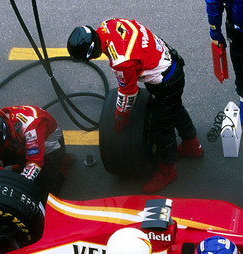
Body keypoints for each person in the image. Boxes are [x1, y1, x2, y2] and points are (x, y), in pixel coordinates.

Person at [67, 21, 203, 193]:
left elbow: (128, 92)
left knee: (162, 128)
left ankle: (168, 171)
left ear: (92, 51)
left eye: (90, 57)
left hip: (165, 80)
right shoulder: (110, 24)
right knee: (174, 109)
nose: (92, 59)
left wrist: (120, 115)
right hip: (170, 64)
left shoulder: (121, 61)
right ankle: (193, 146)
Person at [0, 105, 74, 199]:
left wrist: (19, 185)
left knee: (44, 190)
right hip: (22, 144)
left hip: (49, 147)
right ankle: (22, 163)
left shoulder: (30, 127)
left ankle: (61, 165)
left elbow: (35, 162)